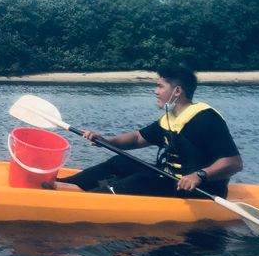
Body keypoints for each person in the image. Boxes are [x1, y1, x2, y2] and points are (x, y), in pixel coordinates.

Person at [55, 65, 243, 198]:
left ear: (177, 91)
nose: (155, 91)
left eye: (160, 86)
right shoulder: (170, 119)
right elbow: (137, 138)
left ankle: (86, 199)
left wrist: (199, 175)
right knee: (120, 162)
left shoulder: (205, 118)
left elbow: (234, 163)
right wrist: (106, 140)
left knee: (139, 181)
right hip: (171, 179)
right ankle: (63, 184)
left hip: (201, 191)